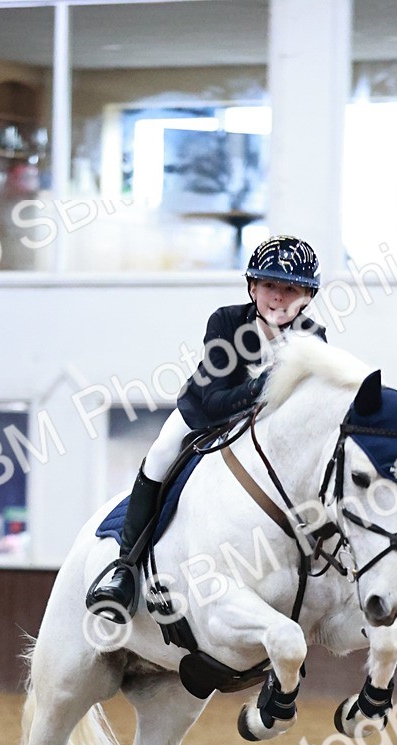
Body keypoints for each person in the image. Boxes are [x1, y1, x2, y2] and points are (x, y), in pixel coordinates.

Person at [87, 233, 326, 622]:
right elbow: (215, 399)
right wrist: (267, 385)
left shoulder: (313, 338)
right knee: (161, 454)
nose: (278, 297)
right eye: (269, 285)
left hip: (262, 435)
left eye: (290, 288)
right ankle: (124, 570)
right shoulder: (227, 321)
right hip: (203, 418)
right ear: (252, 286)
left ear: (308, 296)